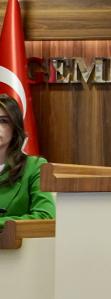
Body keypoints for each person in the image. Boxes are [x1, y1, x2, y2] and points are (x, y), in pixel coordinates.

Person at [0, 94, 55, 231]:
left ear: (15, 128)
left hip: (14, 244)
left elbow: (45, 216)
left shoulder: (34, 166)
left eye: (3, 121)